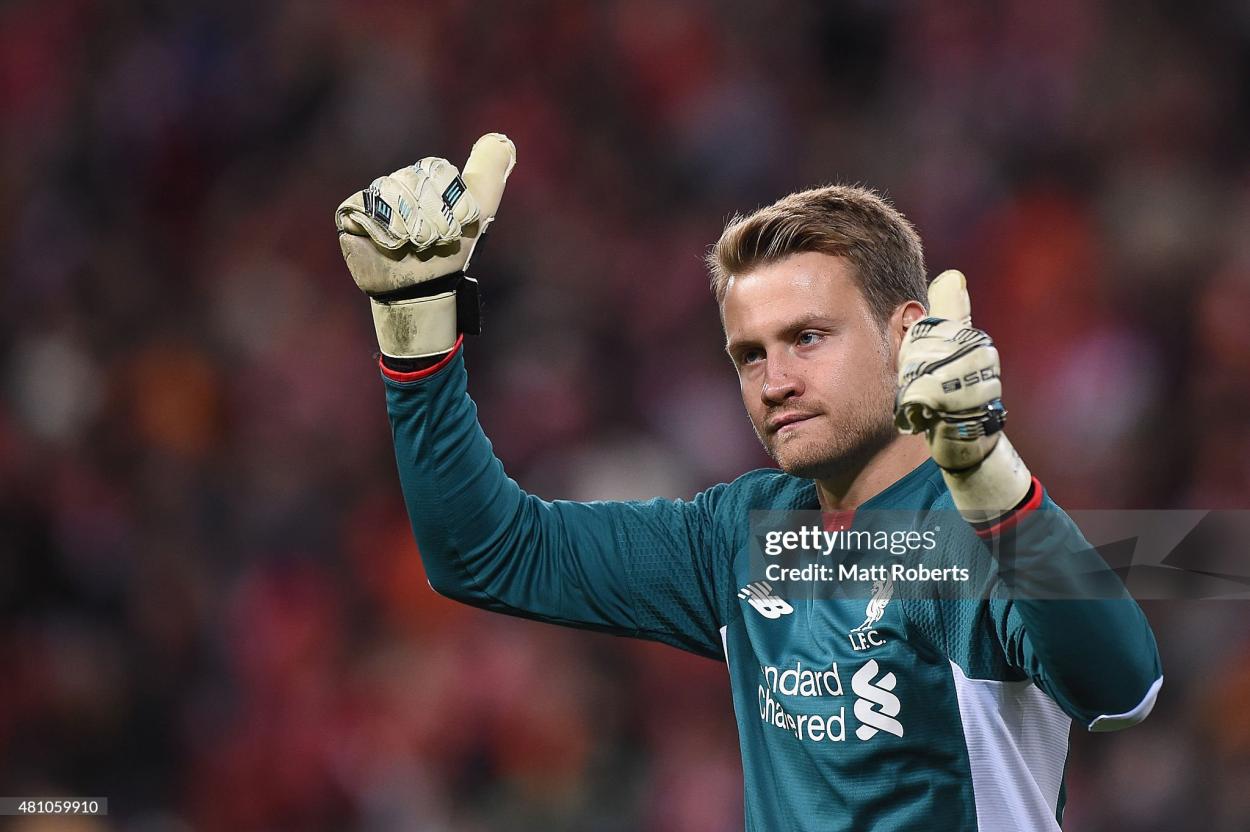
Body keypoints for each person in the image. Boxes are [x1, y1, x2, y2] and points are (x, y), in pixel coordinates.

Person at [334, 133, 1162, 830]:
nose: (774, 381)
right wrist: (418, 342)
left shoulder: (969, 540)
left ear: (906, 333)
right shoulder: (743, 534)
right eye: (749, 354)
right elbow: (488, 553)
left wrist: (989, 473)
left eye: (807, 337)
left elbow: (1124, 685)